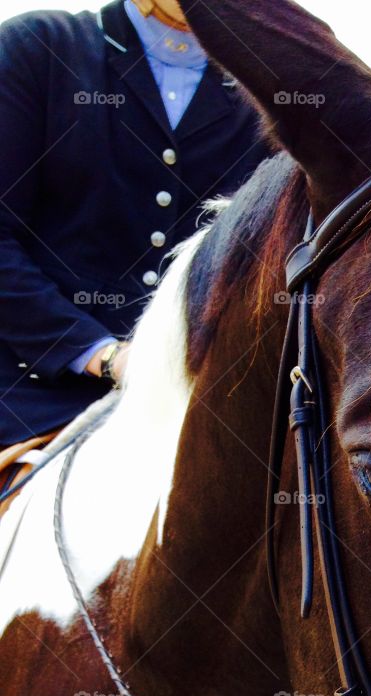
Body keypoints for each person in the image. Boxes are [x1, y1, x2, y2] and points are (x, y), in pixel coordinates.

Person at [0, 0, 273, 447]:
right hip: (29, 394)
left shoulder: (263, 97)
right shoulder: (40, 47)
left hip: (191, 409)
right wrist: (100, 353)